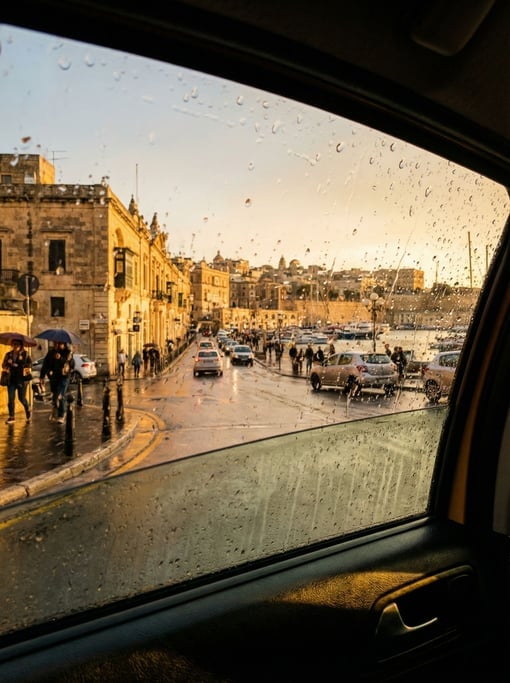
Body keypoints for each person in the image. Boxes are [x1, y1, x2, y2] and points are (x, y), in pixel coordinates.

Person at [39, 342, 75, 423]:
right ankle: (57, 410)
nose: (56, 345)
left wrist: (60, 358)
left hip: (64, 377)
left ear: (63, 344)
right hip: (54, 377)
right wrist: (42, 376)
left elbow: (70, 363)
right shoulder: (51, 353)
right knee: (55, 396)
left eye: (59, 344)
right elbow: (45, 364)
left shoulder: (68, 352)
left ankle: (61, 415)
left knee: (60, 395)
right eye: (55, 343)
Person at [2, 339, 32, 424]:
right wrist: (8, 363)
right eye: (14, 344)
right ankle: (11, 417)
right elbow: (3, 365)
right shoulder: (8, 354)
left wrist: (19, 366)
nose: (15, 346)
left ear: (21, 346)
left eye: (17, 345)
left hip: (21, 380)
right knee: (11, 399)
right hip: (11, 380)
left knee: (21, 398)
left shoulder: (25, 354)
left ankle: (28, 410)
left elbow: (29, 365)